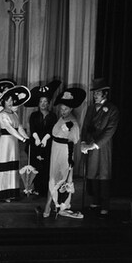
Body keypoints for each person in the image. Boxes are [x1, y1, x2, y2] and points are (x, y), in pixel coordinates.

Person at [43, 86, 85, 219]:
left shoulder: (73, 123)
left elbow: (73, 141)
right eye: (61, 108)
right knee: (53, 177)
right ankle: (51, 204)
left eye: (66, 109)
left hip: (64, 152)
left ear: (71, 108)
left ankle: (57, 205)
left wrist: (70, 160)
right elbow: (54, 133)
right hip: (55, 150)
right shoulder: (61, 119)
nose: (63, 111)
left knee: (62, 178)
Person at [80, 78, 120, 216]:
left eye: (97, 93)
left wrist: (95, 144)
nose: (95, 95)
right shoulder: (91, 108)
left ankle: (105, 205)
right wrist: (83, 142)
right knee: (92, 174)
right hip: (90, 144)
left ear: (105, 94)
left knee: (103, 174)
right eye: (94, 93)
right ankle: (95, 201)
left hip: (102, 147)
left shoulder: (112, 109)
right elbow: (85, 126)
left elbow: (110, 130)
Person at [0, 85, 31, 202]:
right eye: (7, 100)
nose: (10, 103)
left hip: (13, 143)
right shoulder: (2, 115)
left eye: (12, 100)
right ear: (3, 102)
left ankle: (13, 191)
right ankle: (3, 193)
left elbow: (19, 127)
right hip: (5, 142)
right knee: (5, 165)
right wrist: (22, 139)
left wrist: (26, 137)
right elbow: (10, 129)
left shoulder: (14, 114)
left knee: (13, 165)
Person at [27, 81, 60, 197]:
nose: (43, 104)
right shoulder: (34, 115)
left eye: (45, 102)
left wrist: (46, 138)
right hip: (36, 143)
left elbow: (53, 129)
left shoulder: (53, 116)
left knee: (46, 165)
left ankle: (45, 188)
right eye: (41, 101)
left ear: (49, 103)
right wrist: (36, 138)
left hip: (48, 143)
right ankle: (36, 187)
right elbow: (32, 127)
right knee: (36, 164)